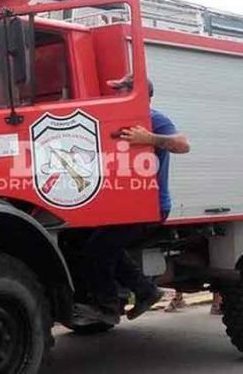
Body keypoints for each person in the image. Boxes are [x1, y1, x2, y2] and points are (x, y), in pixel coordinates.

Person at [76, 74, 190, 325]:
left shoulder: (154, 119)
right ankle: (146, 291)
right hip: (126, 208)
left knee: (99, 251)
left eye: (121, 90)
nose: (115, 94)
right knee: (104, 248)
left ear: (136, 93)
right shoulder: (118, 119)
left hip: (150, 208)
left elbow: (183, 144)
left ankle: (108, 306)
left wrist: (150, 139)